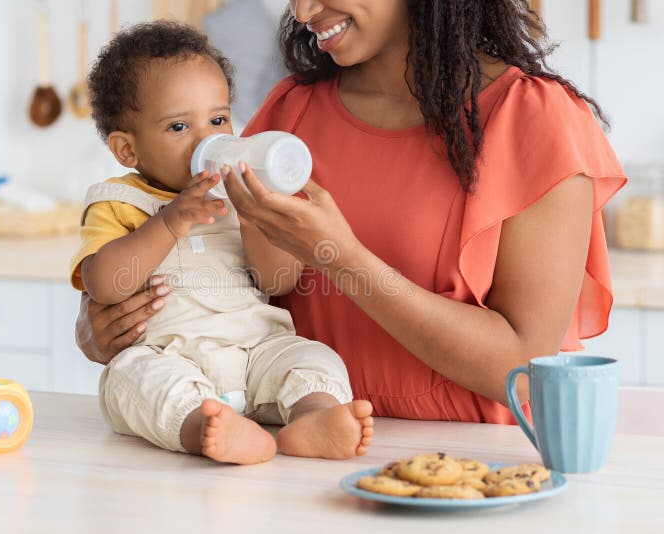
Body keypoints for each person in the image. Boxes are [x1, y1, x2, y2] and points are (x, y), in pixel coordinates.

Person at [76, 1, 626, 425]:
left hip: (472, 464)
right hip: (295, 452)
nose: (304, 11)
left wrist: (337, 256)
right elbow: (229, 280)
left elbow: (525, 368)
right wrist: (104, 325)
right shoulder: (289, 112)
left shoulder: (533, 119)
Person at [70, 20, 373, 465]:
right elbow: (105, 285)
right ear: (127, 150)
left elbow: (279, 279)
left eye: (218, 119)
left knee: (311, 357)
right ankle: (205, 428)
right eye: (178, 127)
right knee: (131, 380)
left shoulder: (240, 197)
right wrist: (170, 223)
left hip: (255, 352)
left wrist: (256, 218)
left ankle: (313, 417)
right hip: (170, 355)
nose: (208, 139)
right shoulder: (119, 202)